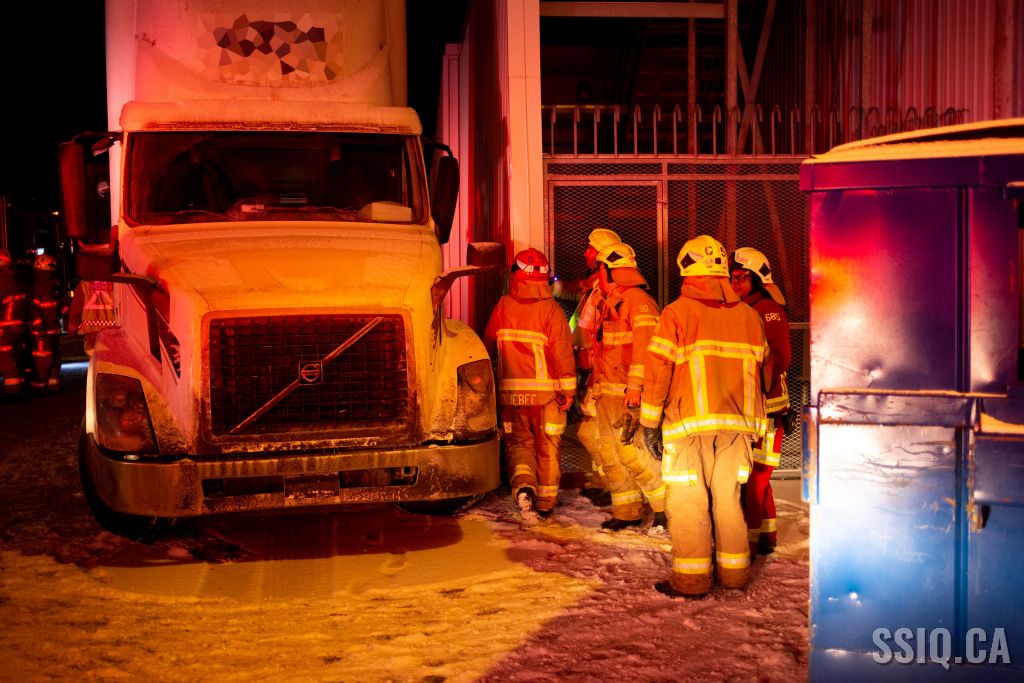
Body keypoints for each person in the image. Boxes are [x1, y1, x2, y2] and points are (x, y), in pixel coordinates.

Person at [640, 234, 769, 598]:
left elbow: (659, 372)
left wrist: (650, 422)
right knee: (728, 498)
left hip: (688, 425)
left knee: (688, 498)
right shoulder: (749, 316)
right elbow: (764, 369)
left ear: (687, 270)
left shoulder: (677, 313)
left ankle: (692, 580)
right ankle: (734, 575)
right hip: (738, 425)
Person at [484, 248, 577, 523]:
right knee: (547, 446)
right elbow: (562, 354)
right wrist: (568, 391)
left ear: (516, 275)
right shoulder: (551, 310)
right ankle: (545, 503)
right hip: (546, 396)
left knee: (518, 444)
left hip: (511, 394)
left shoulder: (503, 306)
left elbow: (488, 345)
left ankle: (524, 488)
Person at [590, 241, 667, 531]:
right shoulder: (610, 301)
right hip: (608, 392)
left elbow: (646, 351)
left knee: (633, 455)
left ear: (609, 271)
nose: (597, 275)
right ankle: (627, 511)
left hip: (628, 394)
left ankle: (665, 508)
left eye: (599, 269)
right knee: (611, 454)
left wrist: (635, 389)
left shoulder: (637, 301)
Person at [553, 227, 621, 505]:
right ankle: (605, 482)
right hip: (591, 367)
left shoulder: (607, 293)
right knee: (595, 430)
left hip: (599, 370)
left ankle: (616, 484)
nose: (585, 253)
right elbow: (574, 292)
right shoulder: (594, 287)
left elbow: (606, 335)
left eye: (591, 249)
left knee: (593, 431)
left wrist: (592, 361)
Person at [730, 247, 791, 557]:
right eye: (732, 277)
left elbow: (780, 359)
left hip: (767, 411)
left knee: (755, 479)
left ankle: (749, 543)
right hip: (747, 408)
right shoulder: (739, 309)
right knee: (756, 478)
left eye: (742, 277)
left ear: (756, 279)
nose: (735, 283)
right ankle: (766, 535)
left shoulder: (768, 310)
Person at [28, 252, 63, 392]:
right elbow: (34, 310)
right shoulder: (40, 288)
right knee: (45, 359)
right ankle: (43, 385)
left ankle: (48, 385)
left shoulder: (51, 286)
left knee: (50, 358)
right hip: (43, 332)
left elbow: (56, 306)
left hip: (48, 330)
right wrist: (39, 327)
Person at [0, 249, 28, 397]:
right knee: (17, 356)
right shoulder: (17, 278)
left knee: (6, 358)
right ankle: (20, 386)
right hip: (19, 325)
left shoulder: (2, 279)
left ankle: (13, 391)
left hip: (5, 327)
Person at [67, 278, 118, 356]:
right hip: (113, 333)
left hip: (92, 335)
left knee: (95, 359)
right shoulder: (116, 283)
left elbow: (75, 310)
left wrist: (71, 331)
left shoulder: (84, 285)